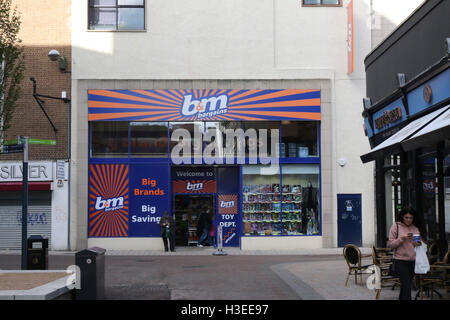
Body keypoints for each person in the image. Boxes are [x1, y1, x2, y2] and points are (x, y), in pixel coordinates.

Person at [388, 207, 422, 300]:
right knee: (407, 285)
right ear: (402, 217)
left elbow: (418, 244)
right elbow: (391, 245)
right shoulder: (396, 226)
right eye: (406, 217)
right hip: (400, 260)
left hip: (412, 261)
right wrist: (401, 239)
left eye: (411, 218)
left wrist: (417, 242)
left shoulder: (415, 228)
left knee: (405, 286)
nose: (408, 220)